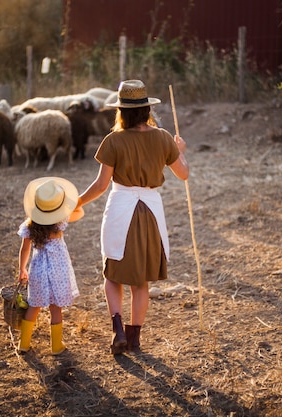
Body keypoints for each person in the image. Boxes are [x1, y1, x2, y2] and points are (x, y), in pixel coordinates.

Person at [75, 79, 189, 354]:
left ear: (121, 111)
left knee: (112, 274)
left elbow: (101, 185)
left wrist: (76, 202)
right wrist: (181, 152)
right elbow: (183, 174)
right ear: (146, 108)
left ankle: (118, 331)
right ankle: (135, 339)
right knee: (141, 280)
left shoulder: (113, 140)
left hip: (120, 208)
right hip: (150, 212)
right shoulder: (163, 137)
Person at [17, 176, 84, 355]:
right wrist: (66, 205)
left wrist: (22, 269)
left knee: (34, 306)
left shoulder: (29, 225)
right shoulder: (60, 222)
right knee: (56, 308)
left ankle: (23, 344)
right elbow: (79, 212)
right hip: (58, 270)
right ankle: (56, 346)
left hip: (38, 269)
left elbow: (24, 250)